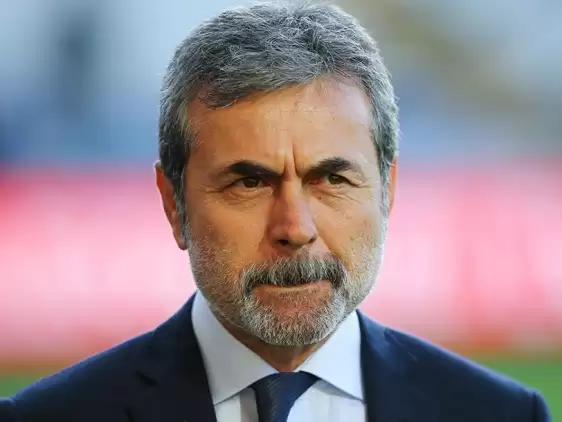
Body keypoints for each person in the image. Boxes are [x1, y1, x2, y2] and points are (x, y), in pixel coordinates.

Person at [0, 2, 552, 421]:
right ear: (174, 204)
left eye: (332, 179)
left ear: (387, 191)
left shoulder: (502, 414)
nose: (295, 228)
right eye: (250, 182)